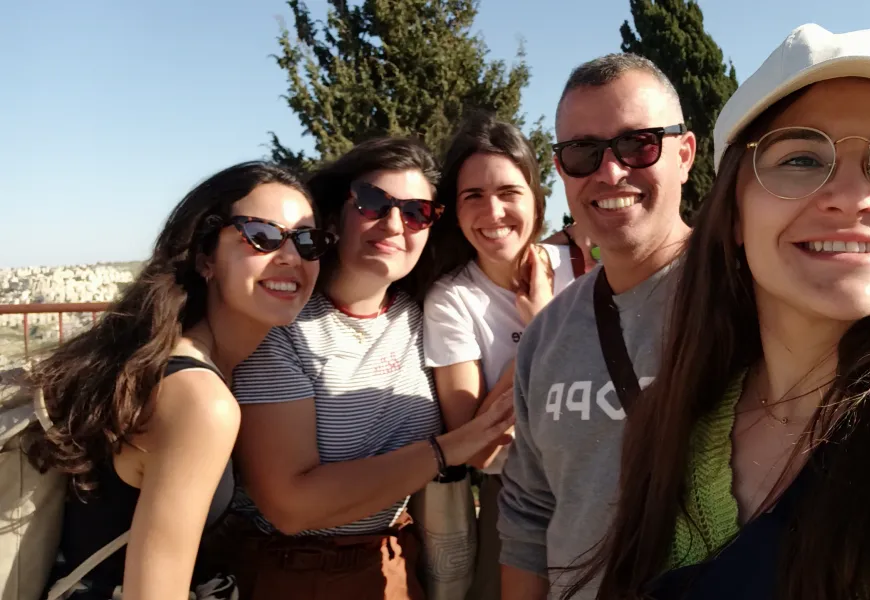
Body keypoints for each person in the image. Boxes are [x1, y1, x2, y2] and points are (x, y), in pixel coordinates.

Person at [498, 51, 870, 600]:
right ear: (735, 212)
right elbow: (529, 510)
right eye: (801, 159)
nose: (853, 199)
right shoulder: (690, 421)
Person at [23, 161, 332, 600]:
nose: (290, 256)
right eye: (261, 235)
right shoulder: (200, 400)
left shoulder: (165, 359)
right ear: (206, 256)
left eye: (307, 241)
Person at [224, 137, 515, 600]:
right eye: (373, 203)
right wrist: (444, 451)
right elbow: (290, 506)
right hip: (294, 573)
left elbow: (485, 435)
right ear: (334, 217)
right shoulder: (282, 327)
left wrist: (548, 314)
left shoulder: (424, 316)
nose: (395, 224)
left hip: (396, 567)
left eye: (418, 212)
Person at [420, 112, 581, 600]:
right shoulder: (452, 300)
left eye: (509, 192)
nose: (493, 212)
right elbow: (476, 447)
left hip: (609, 479)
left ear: (536, 198)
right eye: (473, 195)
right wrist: (540, 330)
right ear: (454, 209)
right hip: (515, 499)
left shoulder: (586, 266)